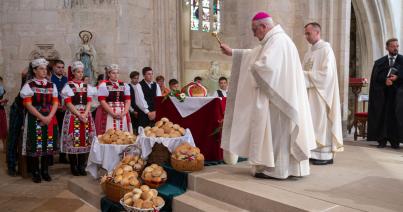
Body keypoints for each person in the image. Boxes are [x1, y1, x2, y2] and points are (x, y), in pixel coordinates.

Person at [219, 12, 316, 179]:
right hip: (282, 100)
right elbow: (254, 54)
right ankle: (287, 169)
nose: (254, 34)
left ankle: (276, 170)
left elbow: (265, 67)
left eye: (254, 30)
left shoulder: (278, 41)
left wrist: (253, 68)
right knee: (279, 135)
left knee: (278, 134)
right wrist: (234, 53)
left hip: (278, 103)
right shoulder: (274, 41)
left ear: (263, 27)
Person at [302, 22, 344, 165]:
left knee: (321, 124)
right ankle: (313, 153)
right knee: (311, 123)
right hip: (309, 94)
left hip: (321, 95)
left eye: (308, 33)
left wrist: (305, 76)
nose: (306, 36)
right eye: (305, 33)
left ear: (317, 32)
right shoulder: (309, 52)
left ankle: (325, 156)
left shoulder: (326, 50)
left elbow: (327, 74)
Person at [20, 58, 59, 183]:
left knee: (48, 143)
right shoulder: (29, 85)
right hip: (34, 117)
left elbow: (55, 103)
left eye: (45, 68)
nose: (44, 71)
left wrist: (49, 117)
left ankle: (45, 170)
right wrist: (42, 117)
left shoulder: (52, 85)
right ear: (35, 70)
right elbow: (28, 104)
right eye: (41, 69)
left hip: (50, 117)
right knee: (35, 144)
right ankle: (35, 171)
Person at [60, 61, 96, 176]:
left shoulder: (87, 86)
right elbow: (68, 103)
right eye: (78, 72)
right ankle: (73, 166)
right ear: (74, 73)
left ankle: (82, 165)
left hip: (85, 115)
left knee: (84, 140)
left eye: (82, 72)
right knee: (73, 140)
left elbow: (89, 101)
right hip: (73, 115)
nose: (80, 74)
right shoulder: (68, 86)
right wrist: (79, 114)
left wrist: (85, 113)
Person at [368, 38, 403, 149]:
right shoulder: (380, 62)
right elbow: (375, 78)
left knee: (396, 116)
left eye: (397, 46)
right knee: (382, 116)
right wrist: (385, 80)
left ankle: (395, 140)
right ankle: (382, 140)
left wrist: (398, 77)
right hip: (383, 94)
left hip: (398, 95)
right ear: (387, 48)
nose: (395, 48)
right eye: (393, 46)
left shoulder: (402, 60)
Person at [96, 64, 132, 135]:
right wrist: (112, 113)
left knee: (123, 133)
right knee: (109, 133)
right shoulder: (103, 85)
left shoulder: (124, 85)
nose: (116, 75)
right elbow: (102, 101)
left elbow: (128, 100)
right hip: (108, 111)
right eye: (113, 73)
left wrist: (124, 113)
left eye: (117, 73)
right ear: (109, 74)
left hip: (122, 111)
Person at [6, 70, 27, 176]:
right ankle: (11, 165)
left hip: (29, 112)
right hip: (18, 110)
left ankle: (25, 166)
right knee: (14, 138)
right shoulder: (28, 80)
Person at [50, 60, 68, 164]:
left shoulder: (66, 79)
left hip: (64, 110)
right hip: (53, 110)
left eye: (62, 67)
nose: (60, 69)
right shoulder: (50, 79)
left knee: (63, 132)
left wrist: (65, 105)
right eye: (58, 67)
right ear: (54, 68)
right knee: (52, 132)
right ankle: (50, 157)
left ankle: (62, 155)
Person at [0, 77, 8, 151]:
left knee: (3, 129)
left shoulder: (2, 89)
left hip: (1, 110)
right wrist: (2, 101)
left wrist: (4, 102)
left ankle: (4, 147)